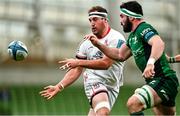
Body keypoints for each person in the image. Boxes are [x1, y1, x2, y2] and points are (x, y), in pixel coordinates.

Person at [85, 1, 179, 115]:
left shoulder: (143, 28)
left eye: (122, 16)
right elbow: (120, 54)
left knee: (133, 104)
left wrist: (150, 63)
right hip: (159, 82)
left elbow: (158, 43)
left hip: (163, 80)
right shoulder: (132, 37)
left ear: (131, 17)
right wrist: (98, 44)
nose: (120, 21)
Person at [40, 6, 126, 116]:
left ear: (105, 20)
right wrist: (59, 86)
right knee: (103, 112)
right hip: (93, 81)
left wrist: (78, 62)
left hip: (113, 86)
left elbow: (106, 64)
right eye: (90, 20)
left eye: (95, 19)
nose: (92, 23)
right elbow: (76, 69)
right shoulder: (86, 44)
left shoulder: (117, 39)